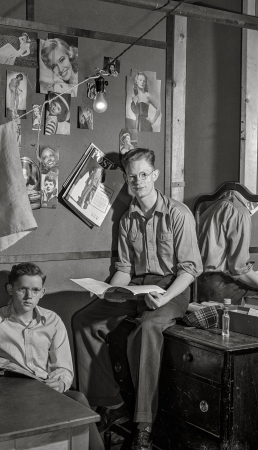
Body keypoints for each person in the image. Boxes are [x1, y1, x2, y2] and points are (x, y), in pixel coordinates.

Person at [73, 148, 202, 450]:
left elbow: (190, 269)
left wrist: (166, 296)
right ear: (126, 178)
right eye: (132, 176)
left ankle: (144, 425)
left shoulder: (178, 213)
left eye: (144, 174)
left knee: (146, 329)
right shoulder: (126, 218)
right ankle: (107, 402)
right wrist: (111, 291)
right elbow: (124, 269)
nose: (138, 181)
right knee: (84, 320)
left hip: (172, 290)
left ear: (155, 175)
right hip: (136, 288)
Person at [0, 262, 104, 450]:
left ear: (42, 292)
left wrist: (59, 383)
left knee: (79, 400)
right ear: (10, 289)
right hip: (13, 395)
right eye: (23, 289)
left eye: (35, 290)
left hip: (47, 389)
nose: (29, 296)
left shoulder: (52, 321)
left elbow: (63, 366)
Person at [198, 190, 258, 305]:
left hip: (198, 282)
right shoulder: (240, 212)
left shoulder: (217, 204)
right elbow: (238, 269)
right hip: (218, 287)